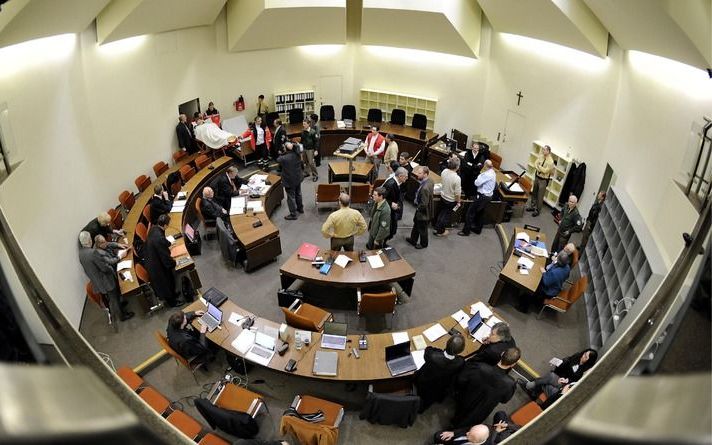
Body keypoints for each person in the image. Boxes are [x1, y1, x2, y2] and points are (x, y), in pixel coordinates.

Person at [451, 347, 520, 429]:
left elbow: (462, 379)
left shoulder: (479, 367)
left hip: (466, 399)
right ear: (513, 364)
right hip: (482, 410)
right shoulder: (510, 384)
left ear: (502, 354)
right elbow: (504, 400)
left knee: (459, 413)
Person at [78, 232, 134, 322]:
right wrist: (112, 268)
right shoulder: (94, 253)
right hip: (106, 280)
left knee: (114, 297)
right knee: (114, 298)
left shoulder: (81, 253)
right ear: (89, 240)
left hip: (97, 281)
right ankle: (122, 316)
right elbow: (104, 268)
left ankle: (121, 304)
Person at [518, 348, 598, 400]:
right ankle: (533, 389)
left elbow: (575, 381)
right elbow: (566, 364)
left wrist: (567, 380)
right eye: (584, 354)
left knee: (549, 378)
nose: (583, 356)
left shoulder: (585, 370)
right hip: (560, 377)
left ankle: (530, 386)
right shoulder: (577, 356)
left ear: (589, 360)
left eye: (586, 357)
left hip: (564, 387)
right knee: (550, 377)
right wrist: (561, 374)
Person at [415, 334, 466, 412]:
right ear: (461, 350)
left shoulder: (432, 355)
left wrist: (441, 351)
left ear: (447, 343)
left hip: (425, 383)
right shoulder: (460, 362)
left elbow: (428, 349)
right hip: (441, 387)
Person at [145, 214, 182, 307]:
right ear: (165, 225)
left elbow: (162, 240)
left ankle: (173, 294)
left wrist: (168, 244)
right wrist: (174, 262)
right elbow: (165, 258)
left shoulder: (154, 228)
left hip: (152, 259)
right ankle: (172, 302)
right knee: (167, 282)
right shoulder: (159, 238)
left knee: (169, 281)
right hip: (156, 266)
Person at [458, 160, 496, 236]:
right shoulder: (493, 172)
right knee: (481, 213)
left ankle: (466, 231)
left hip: (482, 196)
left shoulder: (486, 175)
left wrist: (480, 175)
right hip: (488, 196)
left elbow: (477, 183)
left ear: (485, 166)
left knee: (470, 213)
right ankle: (477, 229)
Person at [433, 411, 519, 444]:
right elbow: (467, 429)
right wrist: (453, 433)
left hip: (496, 438)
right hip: (495, 433)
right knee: (438, 435)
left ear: (477, 442)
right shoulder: (483, 429)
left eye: (470, 435)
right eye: (470, 431)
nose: (467, 433)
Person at [406, 166, 434, 249]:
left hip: (423, 212)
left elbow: (424, 204)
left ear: (425, 174)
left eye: (420, 173)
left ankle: (423, 244)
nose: (417, 174)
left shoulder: (425, 188)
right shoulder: (430, 181)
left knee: (422, 228)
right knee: (416, 224)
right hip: (422, 210)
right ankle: (413, 239)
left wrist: (418, 209)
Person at [434, 156, 461, 237]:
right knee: (445, 216)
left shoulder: (444, 171)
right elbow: (457, 193)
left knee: (441, 213)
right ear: (457, 167)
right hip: (450, 200)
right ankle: (440, 231)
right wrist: (458, 201)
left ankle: (436, 227)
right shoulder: (457, 178)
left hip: (443, 196)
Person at [277, 142, 304, 220]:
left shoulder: (283, 158)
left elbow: (277, 159)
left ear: (285, 149)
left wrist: (283, 152)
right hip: (298, 178)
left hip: (289, 180)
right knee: (298, 193)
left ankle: (293, 214)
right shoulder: (298, 154)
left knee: (291, 197)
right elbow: (298, 148)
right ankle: (300, 209)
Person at [526, 145, 554, 217]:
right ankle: (532, 206)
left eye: (544, 150)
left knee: (540, 196)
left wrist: (539, 167)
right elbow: (535, 164)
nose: (543, 151)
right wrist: (538, 168)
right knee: (534, 192)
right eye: (543, 150)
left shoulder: (551, 162)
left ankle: (537, 210)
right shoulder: (541, 156)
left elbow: (545, 171)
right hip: (537, 177)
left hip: (543, 180)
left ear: (548, 151)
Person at [383, 167, 408, 245]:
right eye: (406, 176)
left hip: (392, 210)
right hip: (387, 212)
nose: (407, 178)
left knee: (392, 229)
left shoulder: (396, 183)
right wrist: (391, 204)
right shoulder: (391, 184)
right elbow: (382, 198)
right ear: (400, 176)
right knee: (387, 229)